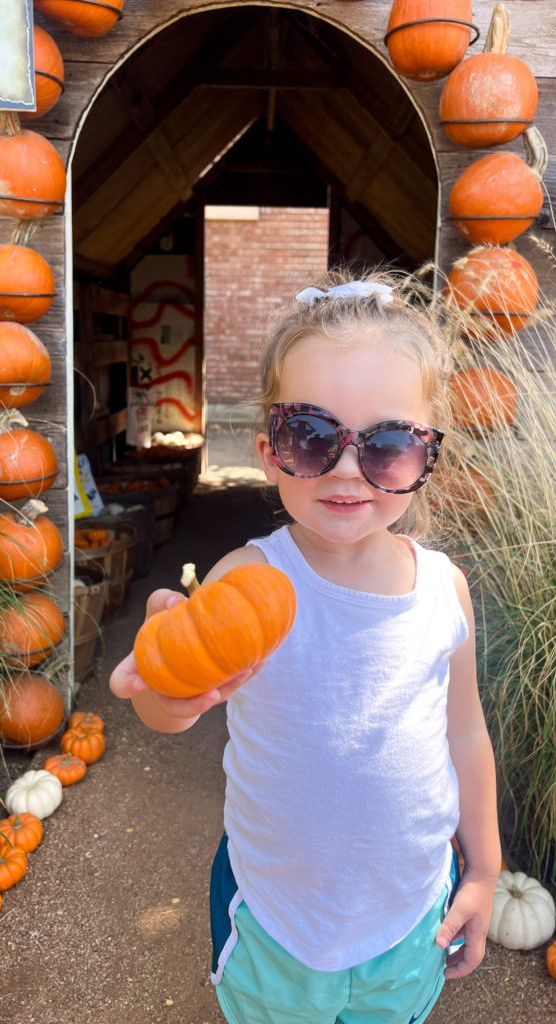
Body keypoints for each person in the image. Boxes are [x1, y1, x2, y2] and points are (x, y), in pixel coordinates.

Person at [109, 271, 502, 1024]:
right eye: (312, 438)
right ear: (268, 449)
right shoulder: (249, 581)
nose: (350, 469)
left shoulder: (445, 591)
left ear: (429, 456)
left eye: (387, 445)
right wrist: (164, 690)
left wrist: (483, 870)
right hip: (275, 920)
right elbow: (174, 712)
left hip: (410, 912)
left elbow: (464, 732)